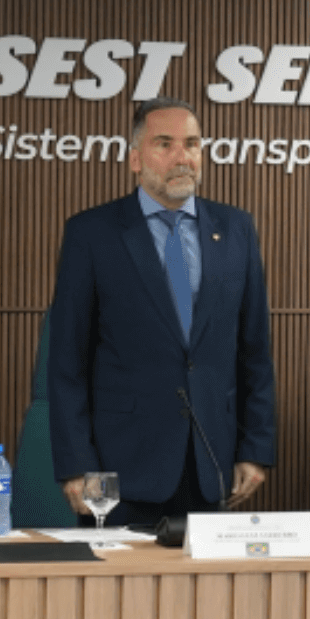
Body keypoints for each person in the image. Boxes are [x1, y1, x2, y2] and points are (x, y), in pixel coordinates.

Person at [47, 97, 275, 524]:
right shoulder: (91, 233)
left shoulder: (236, 229)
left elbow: (255, 351)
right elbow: (67, 362)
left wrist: (255, 450)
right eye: (165, 144)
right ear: (135, 158)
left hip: (211, 463)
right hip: (118, 469)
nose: (182, 157)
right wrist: (76, 464)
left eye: (191, 144)